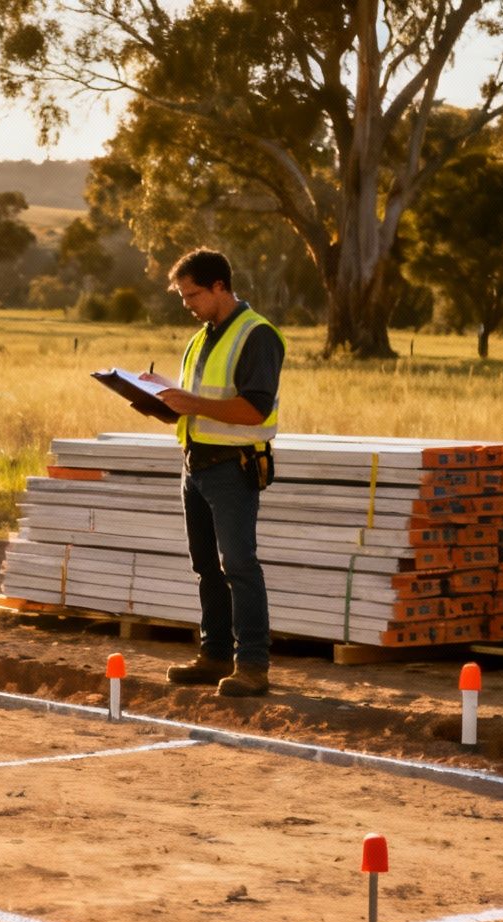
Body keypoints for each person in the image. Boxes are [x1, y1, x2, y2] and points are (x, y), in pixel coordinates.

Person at [137, 249, 283, 698]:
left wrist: (193, 403)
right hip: (195, 463)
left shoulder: (257, 335)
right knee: (206, 567)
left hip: (231, 468)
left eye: (193, 294)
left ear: (221, 286)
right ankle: (214, 653)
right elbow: (196, 406)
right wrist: (160, 400)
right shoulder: (201, 337)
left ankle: (253, 664)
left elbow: (256, 408)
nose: (188, 303)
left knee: (239, 565)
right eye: (183, 295)